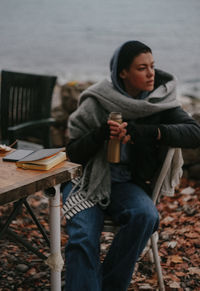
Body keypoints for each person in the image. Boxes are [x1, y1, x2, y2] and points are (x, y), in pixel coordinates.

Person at [62, 40, 200, 291]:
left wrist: (148, 132)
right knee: (82, 236)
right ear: (122, 72)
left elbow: (194, 132)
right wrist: (100, 134)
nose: (151, 74)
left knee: (145, 215)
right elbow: (72, 154)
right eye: (142, 68)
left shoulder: (159, 102)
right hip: (86, 180)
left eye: (152, 66)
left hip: (126, 182)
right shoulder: (96, 101)